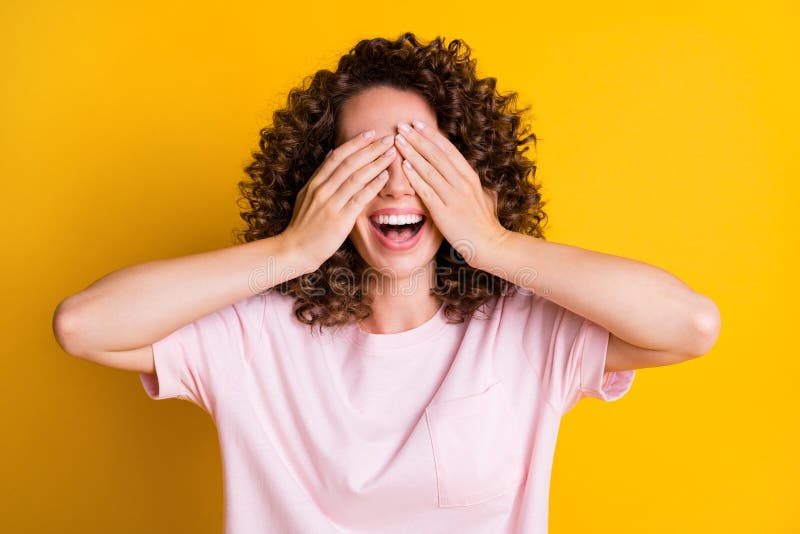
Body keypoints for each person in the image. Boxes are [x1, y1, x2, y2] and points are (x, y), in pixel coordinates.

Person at [52, 32, 721, 534]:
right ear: (319, 181)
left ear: (467, 174)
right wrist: (290, 250)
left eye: (421, 158)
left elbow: (690, 325)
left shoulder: (523, 333)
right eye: (367, 159)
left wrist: (490, 242)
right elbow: (84, 326)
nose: (398, 183)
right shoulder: (254, 337)